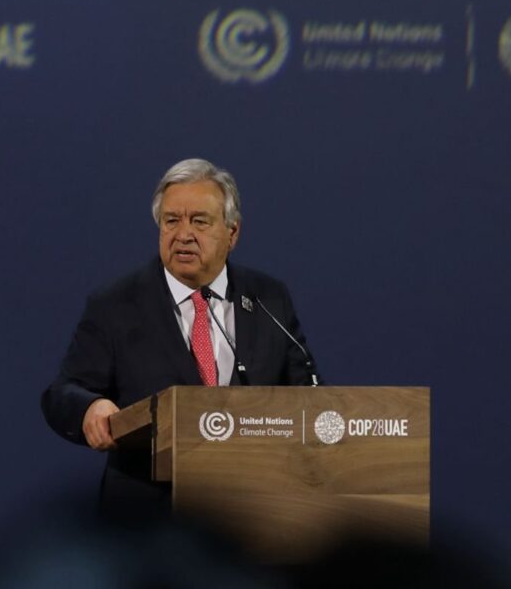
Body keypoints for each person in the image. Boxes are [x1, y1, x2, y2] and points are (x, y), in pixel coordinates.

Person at [40, 158, 319, 519]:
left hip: (254, 514)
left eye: (199, 221)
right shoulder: (116, 304)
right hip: (148, 522)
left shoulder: (269, 299)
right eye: (172, 221)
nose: (183, 234)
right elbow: (63, 392)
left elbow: (308, 395)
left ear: (232, 233)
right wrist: (90, 408)